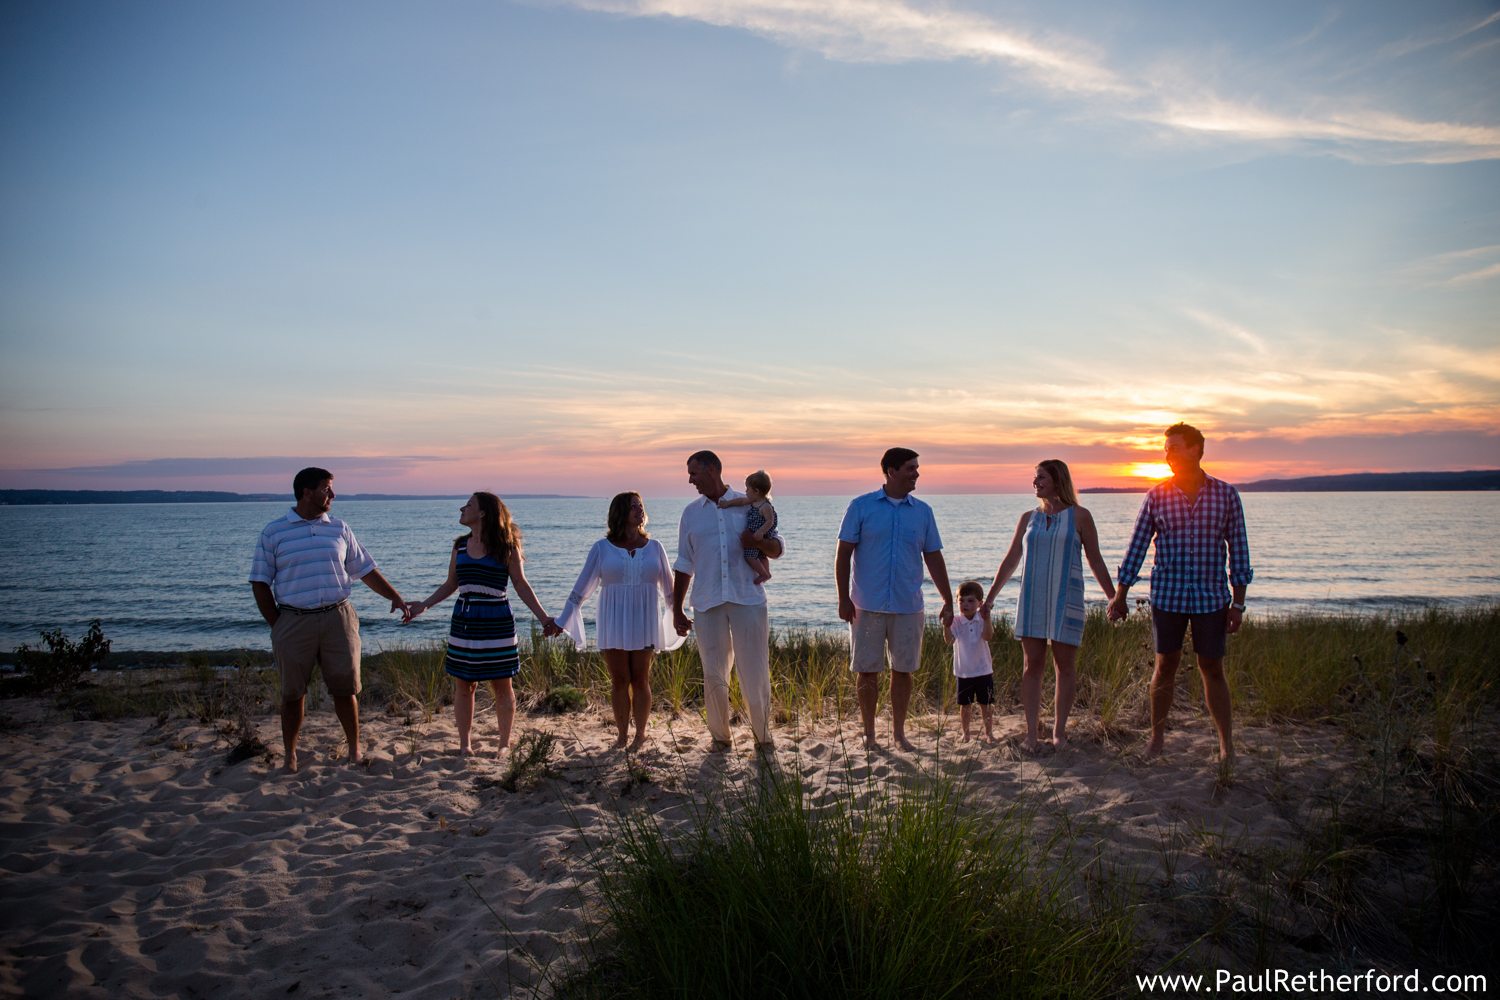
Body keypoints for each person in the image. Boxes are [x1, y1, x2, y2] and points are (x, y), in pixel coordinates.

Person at [1106, 423, 1253, 762]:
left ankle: (1225, 746)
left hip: (1211, 599)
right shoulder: (1157, 496)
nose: (1167, 453)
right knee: (1165, 665)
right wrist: (1121, 594)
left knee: (1212, 668)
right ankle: (1156, 739)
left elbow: (1239, 550)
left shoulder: (1226, 495)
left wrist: (1239, 604)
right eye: (1166, 448)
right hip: (1168, 597)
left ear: (1196, 449)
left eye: (1174, 447)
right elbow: (1137, 547)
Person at [249, 467, 408, 773]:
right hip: (294, 619)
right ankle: (290, 755)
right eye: (326, 489)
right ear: (306, 493)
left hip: (338, 616)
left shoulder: (339, 528)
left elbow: (365, 570)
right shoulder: (274, 532)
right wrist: (278, 624)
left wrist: (395, 597)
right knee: (293, 693)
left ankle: (354, 751)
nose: (332, 495)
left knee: (346, 689)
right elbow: (260, 581)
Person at [405, 492, 557, 756]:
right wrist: (424, 605)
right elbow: (451, 584)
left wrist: (544, 618)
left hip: (497, 619)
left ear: (483, 513)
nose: (462, 508)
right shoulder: (460, 545)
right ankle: (465, 745)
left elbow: (520, 584)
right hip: (464, 620)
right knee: (464, 684)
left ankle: (504, 745)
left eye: (469, 505)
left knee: (502, 684)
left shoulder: (507, 547)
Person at [984, 460, 1116, 752]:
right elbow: (1010, 560)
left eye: (1041, 477)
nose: (1035, 482)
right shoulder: (1027, 518)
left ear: (1058, 479)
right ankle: (1031, 733)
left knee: (1064, 666)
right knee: (1032, 665)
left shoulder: (1080, 517)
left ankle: (1058, 732)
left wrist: (1113, 597)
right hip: (1032, 599)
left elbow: (1095, 559)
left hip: (1065, 599)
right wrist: (990, 598)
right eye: (1035, 478)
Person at [835, 447, 954, 751]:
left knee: (903, 671)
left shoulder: (923, 512)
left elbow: (934, 557)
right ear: (891, 471)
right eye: (910, 468)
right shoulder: (861, 507)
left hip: (907, 605)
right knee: (867, 670)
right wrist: (843, 598)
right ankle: (870, 734)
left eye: (917, 467)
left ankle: (899, 733)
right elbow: (843, 554)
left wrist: (948, 599)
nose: (916, 473)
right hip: (867, 604)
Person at [672, 450, 783, 751]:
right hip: (707, 602)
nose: (690, 479)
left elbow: (776, 548)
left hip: (747, 598)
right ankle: (720, 738)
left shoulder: (748, 504)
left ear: (712, 470)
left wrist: (757, 541)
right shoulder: (691, 513)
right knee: (714, 673)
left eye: (694, 472)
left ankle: (763, 737)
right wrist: (677, 608)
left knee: (755, 669)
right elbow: (684, 563)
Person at [555, 492, 683, 751]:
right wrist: (561, 621)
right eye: (633, 506)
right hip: (613, 618)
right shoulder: (601, 548)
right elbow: (582, 589)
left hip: (644, 617)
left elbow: (669, 590)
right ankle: (622, 734)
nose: (639, 510)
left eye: (641, 506)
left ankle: (641, 735)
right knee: (619, 680)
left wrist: (679, 615)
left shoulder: (655, 547)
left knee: (641, 679)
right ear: (620, 512)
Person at [946, 581, 995, 742]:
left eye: (970, 601)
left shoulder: (982, 619)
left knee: (985, 705)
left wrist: (987, 618)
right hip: (964, 671)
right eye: (961, 600)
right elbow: (949, 641)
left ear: (979, 603)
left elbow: (988, 636)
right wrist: (946, 626)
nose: (965, 604)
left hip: (983, 670)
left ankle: (988, 733)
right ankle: (966, 733)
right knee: (965, 706)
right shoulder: (956, 621)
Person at [717, 470, 778, 584]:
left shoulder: (765, 506)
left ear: (756, 491)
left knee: (750, 556)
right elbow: (740, 501)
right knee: (761, 555)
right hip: (755, 532)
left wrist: (761, 531)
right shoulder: (752, 501)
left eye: (748, 489)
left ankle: (763, 573)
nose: (745, 491)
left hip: (759, 533)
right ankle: (766, 573)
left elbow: (770, 521)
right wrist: (727, 504)